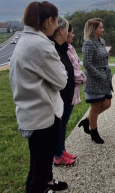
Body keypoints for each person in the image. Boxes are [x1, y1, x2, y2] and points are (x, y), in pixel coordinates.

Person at [9, 1, 68, 192]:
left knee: (40, 163)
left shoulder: (25, 39)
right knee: (38, 170)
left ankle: (48, 184)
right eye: (57, 21)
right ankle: (42, 186)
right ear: (49, 20)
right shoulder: (41, 45)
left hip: (31, 111)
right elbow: (61, 80)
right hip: (43, 117)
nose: (58, 25)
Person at [79, 18, 112, 144]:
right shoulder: (88, 43)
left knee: (107, 103)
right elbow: (87, 63)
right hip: (94, 80)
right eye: (101, 27)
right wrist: (99, 75)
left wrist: (105, 75)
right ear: (94, 29)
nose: (103, 29)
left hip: (105, 78)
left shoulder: (102, 41)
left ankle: (87, 121)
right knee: (96, 105)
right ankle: (94, 132)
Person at [50, 17, 77, 167]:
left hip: (66, 98)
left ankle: (61, 150)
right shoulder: (54, 49)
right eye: (67, 29)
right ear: (61, 31)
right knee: (58, 127)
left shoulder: (63, 48)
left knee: (63, 126)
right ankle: (58, 155)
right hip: (59, 99)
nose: (69, 32)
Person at [66, 24, 86, 113]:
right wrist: (84, 79)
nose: (73, 35)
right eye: (72, 33)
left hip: (73, 92)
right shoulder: (64, 50)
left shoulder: (70, 47)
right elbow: (75, 73)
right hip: (67, 93)